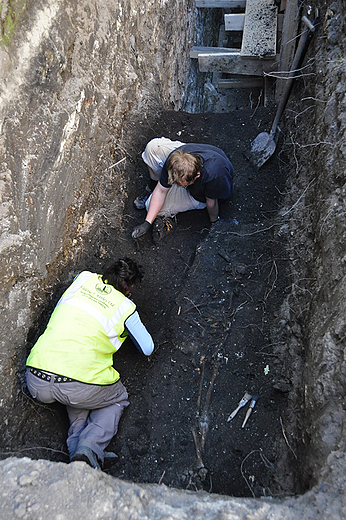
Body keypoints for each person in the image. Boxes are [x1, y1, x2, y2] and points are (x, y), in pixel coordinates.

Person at [25, 258, 154, 471]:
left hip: (36, 378)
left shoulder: (82, 279)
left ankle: (79, 450)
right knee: (115, 399)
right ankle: (91, 447)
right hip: (77, 385)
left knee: (78, 397)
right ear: (129, 287)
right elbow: (147, 347)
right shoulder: (125, 307)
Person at [132, 138, 234, 239]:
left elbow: (212, 203)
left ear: (196, 176)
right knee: (153, 148)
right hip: (208, 157)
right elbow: (161, 190)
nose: (176, 186)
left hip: (212, 185)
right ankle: (152, 186)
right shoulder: (176, 160)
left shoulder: (213, 176)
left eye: (181, 185)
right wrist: (147, 223)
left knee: (150, 205)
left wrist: (215, 222)